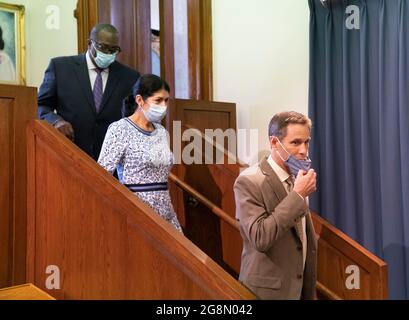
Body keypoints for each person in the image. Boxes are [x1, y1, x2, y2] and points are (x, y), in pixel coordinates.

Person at [234, 111, 317, 300]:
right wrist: (297, 195)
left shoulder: (298, 177)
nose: (304, 150)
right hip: (266, 293)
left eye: (307, 142)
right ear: (274, 143)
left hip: (299, 290)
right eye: (295, 142)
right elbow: (260, 238)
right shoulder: (248, 181)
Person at [38, 23, 140, 160]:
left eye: (113, 49)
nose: (108, 53)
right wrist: (56, 121)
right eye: (103, 47)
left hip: (112, 161)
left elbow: (135, 116)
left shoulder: (130, 77)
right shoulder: (60, 67)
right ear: (89, 43)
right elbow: (41, 105)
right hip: (69, 154)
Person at [98, 74, 182, 233]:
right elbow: (102, 174)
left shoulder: (162, 132)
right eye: (158, 101)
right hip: (136, 212)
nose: (163, 106)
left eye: (166, 100)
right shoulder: (119, 129)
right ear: (140, 100)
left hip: (166, 211)